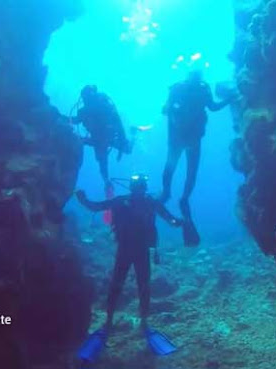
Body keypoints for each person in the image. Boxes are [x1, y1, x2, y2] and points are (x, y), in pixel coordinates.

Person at [76, 174, 181, 333]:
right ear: (141, 187)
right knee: (140, 285)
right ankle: (140, 321)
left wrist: (82, 199)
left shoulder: (125, 201)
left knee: (121, 285)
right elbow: (171, 220)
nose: (139, 189)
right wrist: (182, 222)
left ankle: (112, 320)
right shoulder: (150, 202)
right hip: (139, 250)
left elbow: (95, 207)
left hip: (127, 249)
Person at [159, 69, 234, 219]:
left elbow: (165, 109)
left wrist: (228, 100)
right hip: (189, 137)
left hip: (182, 137)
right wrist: (229, 99)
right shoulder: (200, 88)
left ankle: (170, 194)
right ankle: (180, 197)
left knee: (174, 167)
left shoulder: (186, 88)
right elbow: (213, 107)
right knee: (187, 170)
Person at [71, 85, 131, 191]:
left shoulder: (104, 107)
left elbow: (118, 122)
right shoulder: (87, 110)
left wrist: (122, 140)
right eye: (84, 98)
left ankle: (134, 136)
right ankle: (107, 182)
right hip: (99, 139)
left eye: (86, 98)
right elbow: (75, 120)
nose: (85, 100)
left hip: (107, 138)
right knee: (103, 160)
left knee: (125, 151)